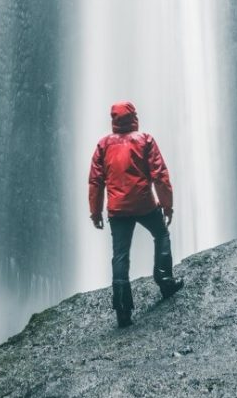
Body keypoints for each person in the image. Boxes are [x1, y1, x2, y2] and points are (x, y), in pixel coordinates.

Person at [88, 100, 183, 327]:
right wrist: (167, 205)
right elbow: (160, 174)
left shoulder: (103, 145)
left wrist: (95, 212)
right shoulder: (145, 140)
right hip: (144, 204)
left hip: (118, 209)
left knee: (120, 255)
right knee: (161, 235)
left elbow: (95, 181)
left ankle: (123, 310)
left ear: (114, 120)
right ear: (134, 118)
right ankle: (165, 280)